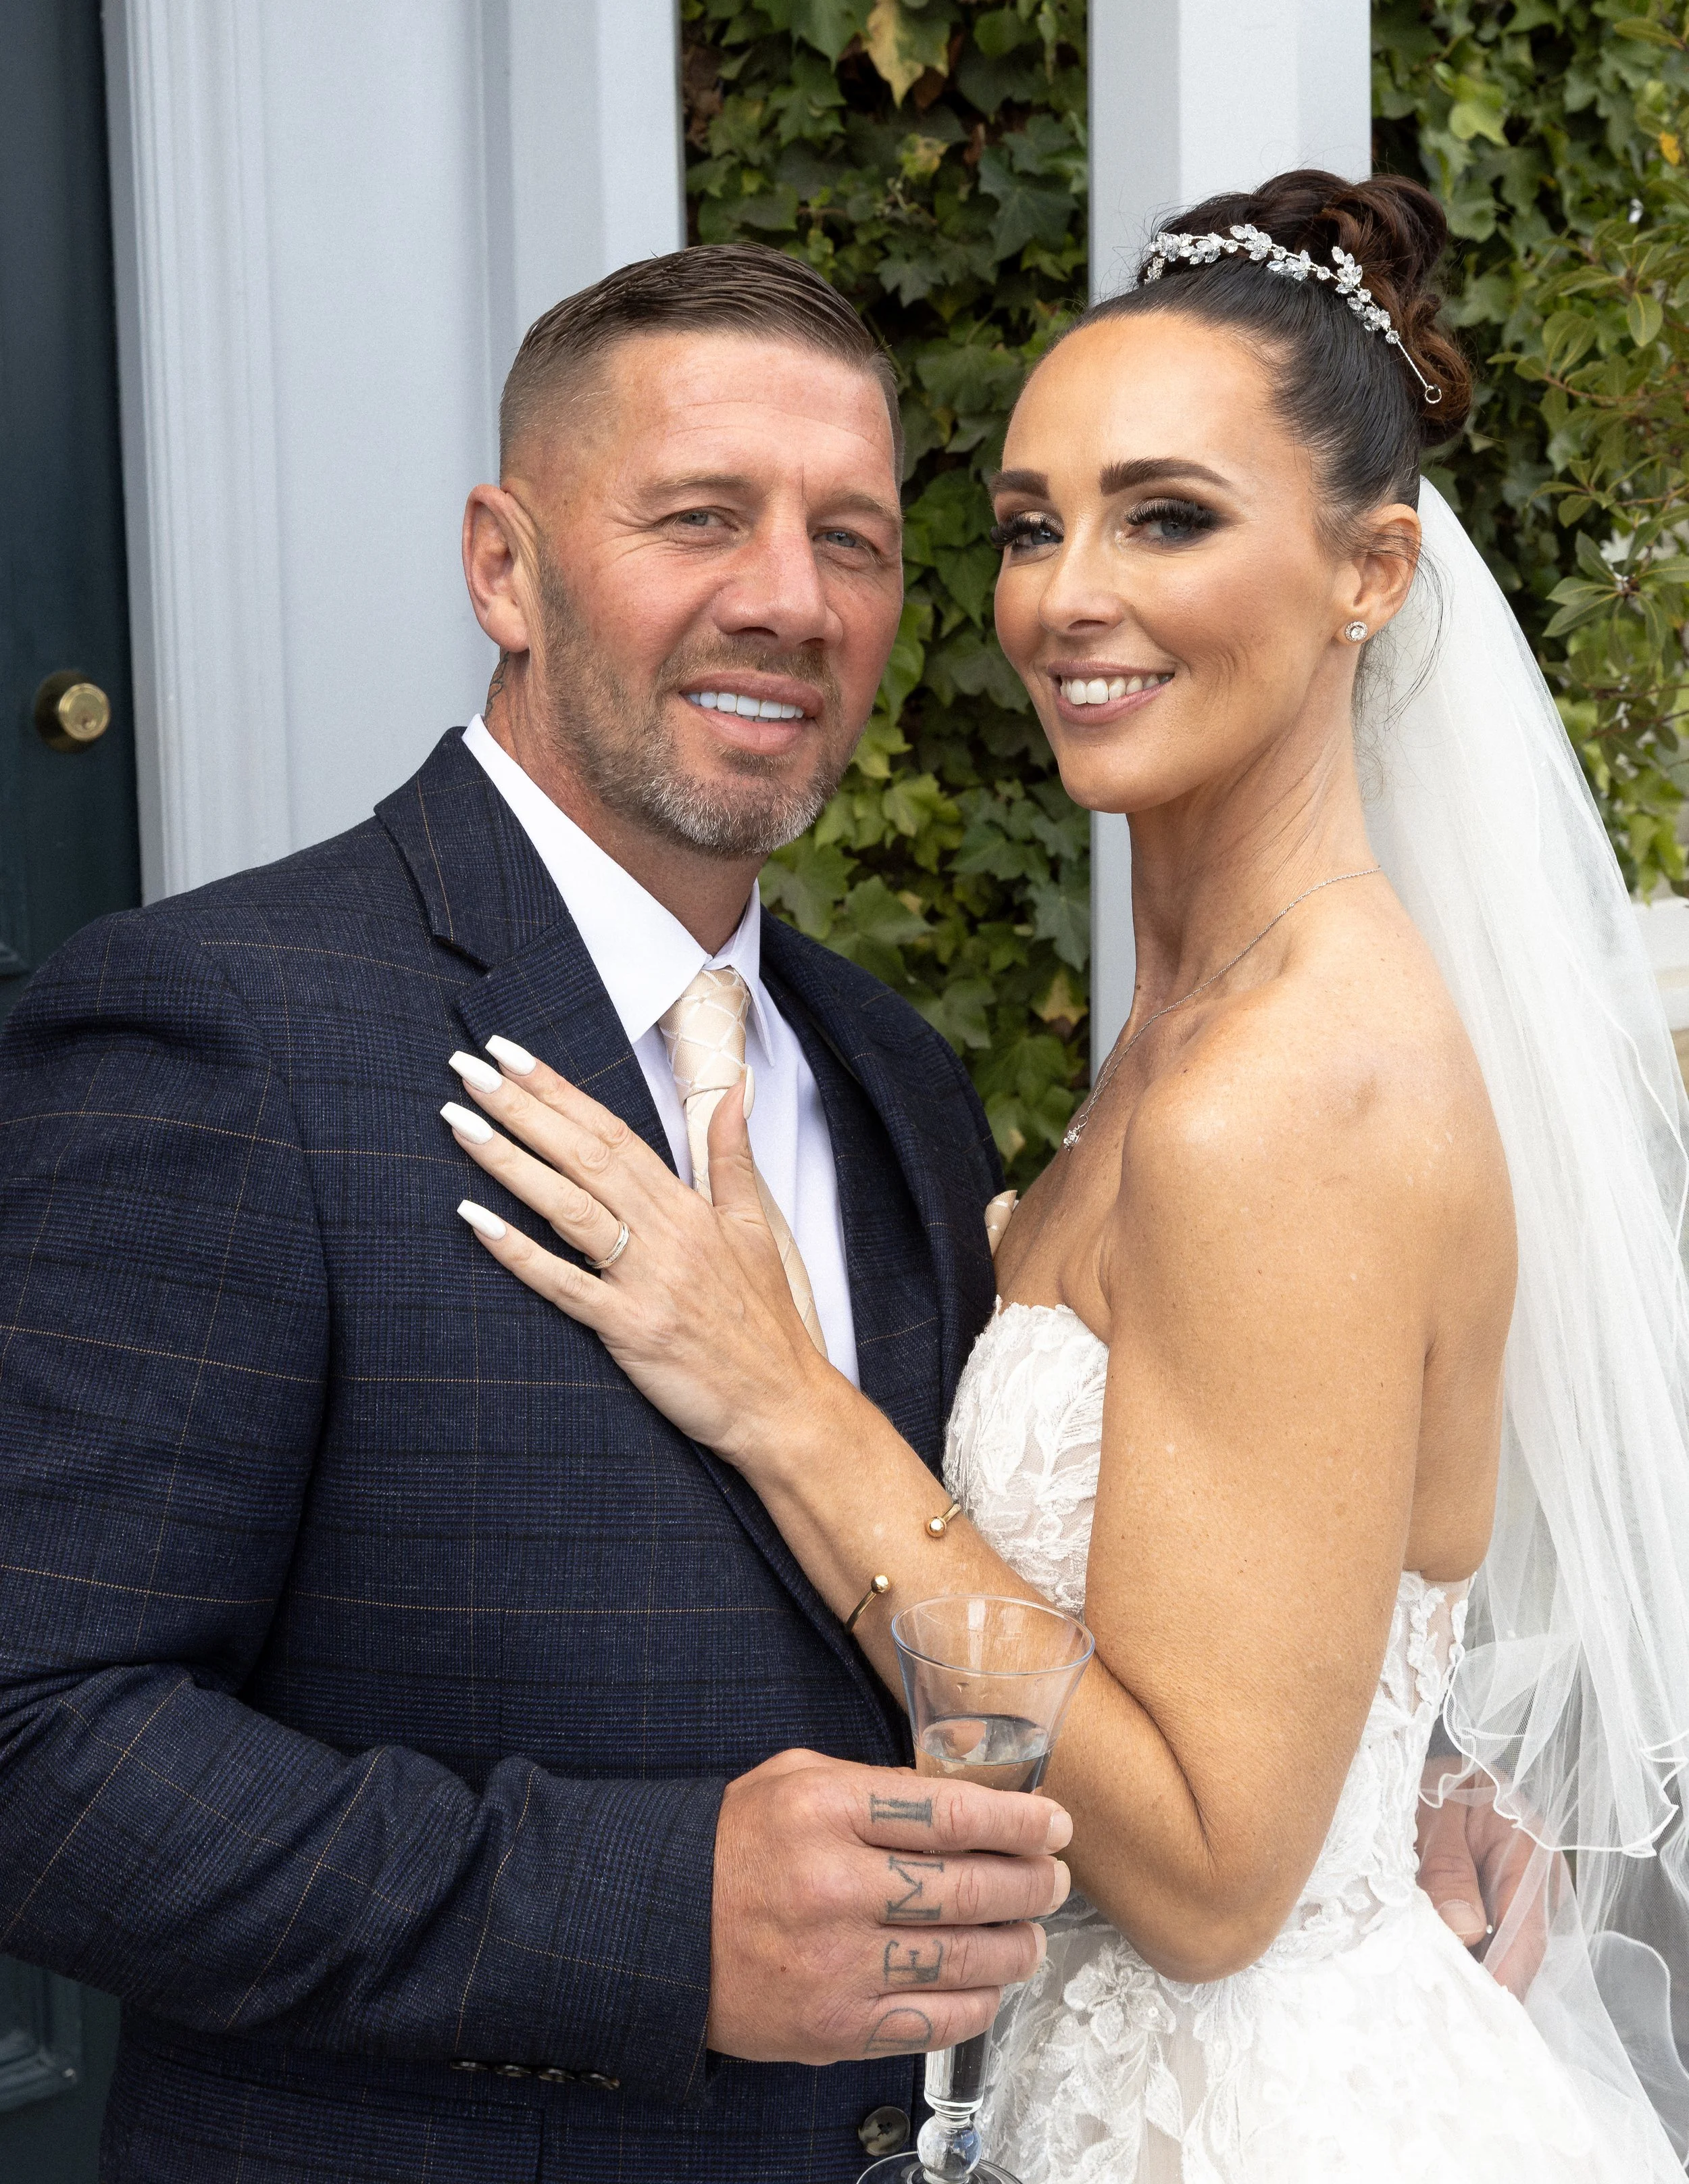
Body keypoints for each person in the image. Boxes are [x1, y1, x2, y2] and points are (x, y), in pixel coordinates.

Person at [0, 240, 1534, 2183]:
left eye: (858, 540)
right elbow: (34, 1743)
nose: (786, 601)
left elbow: (1131, 1558)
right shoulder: (229, 1029)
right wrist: (644, 1920)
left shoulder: (893, 1077)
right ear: (504, 564)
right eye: (698, 518)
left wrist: (1379, 1769)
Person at [445, 183, 1689, 2179]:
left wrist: (788, 1404)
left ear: (1370, 570)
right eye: (1032, 525)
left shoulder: (1288, 1090)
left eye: (1168, 516)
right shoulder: (1166, 1039)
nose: (1064, 597)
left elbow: (1205, 1877)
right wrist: (1402, 1746)